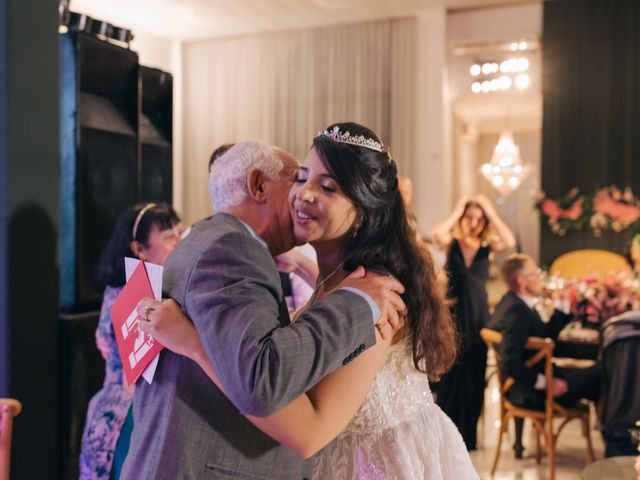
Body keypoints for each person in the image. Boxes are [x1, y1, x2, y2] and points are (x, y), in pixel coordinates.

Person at [138, 123, 479, 479]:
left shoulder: (375, 297)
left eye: (328, 186)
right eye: (301, 178)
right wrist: (301, 263)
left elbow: (309, 432)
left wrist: (193, 343)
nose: (305, 194)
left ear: (363, 213)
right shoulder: (332, 281)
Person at [79, 202, 183, 480]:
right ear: (139, 249)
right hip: (127, 417)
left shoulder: (119, 291)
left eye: (179, 231)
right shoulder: (132, 295)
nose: (179, 241)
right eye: (169, 236)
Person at [430, 194, 516, 450]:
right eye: (470, 217)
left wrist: (490, 210)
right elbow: (437, 232)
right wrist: (459, 209)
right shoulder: (452, 243)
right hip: (453, 316)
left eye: (479, 219)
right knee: (450, 374)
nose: (474, 223)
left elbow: (510, 241)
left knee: (474, 376)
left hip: (479, 317)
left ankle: (468, 439)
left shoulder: (487, 248)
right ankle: (447, 435)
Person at [488, 253, 601, 411]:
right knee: (605, 372)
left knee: (599, 372)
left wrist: (561, 303)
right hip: (532, 393)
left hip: (533, 383)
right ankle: (615, 428)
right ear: (521, 280)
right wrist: (546, 383)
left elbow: (544, 336)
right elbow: (510, 363)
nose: (540, 278)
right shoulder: (516, 312)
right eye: (535, 274)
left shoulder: (512, 302)